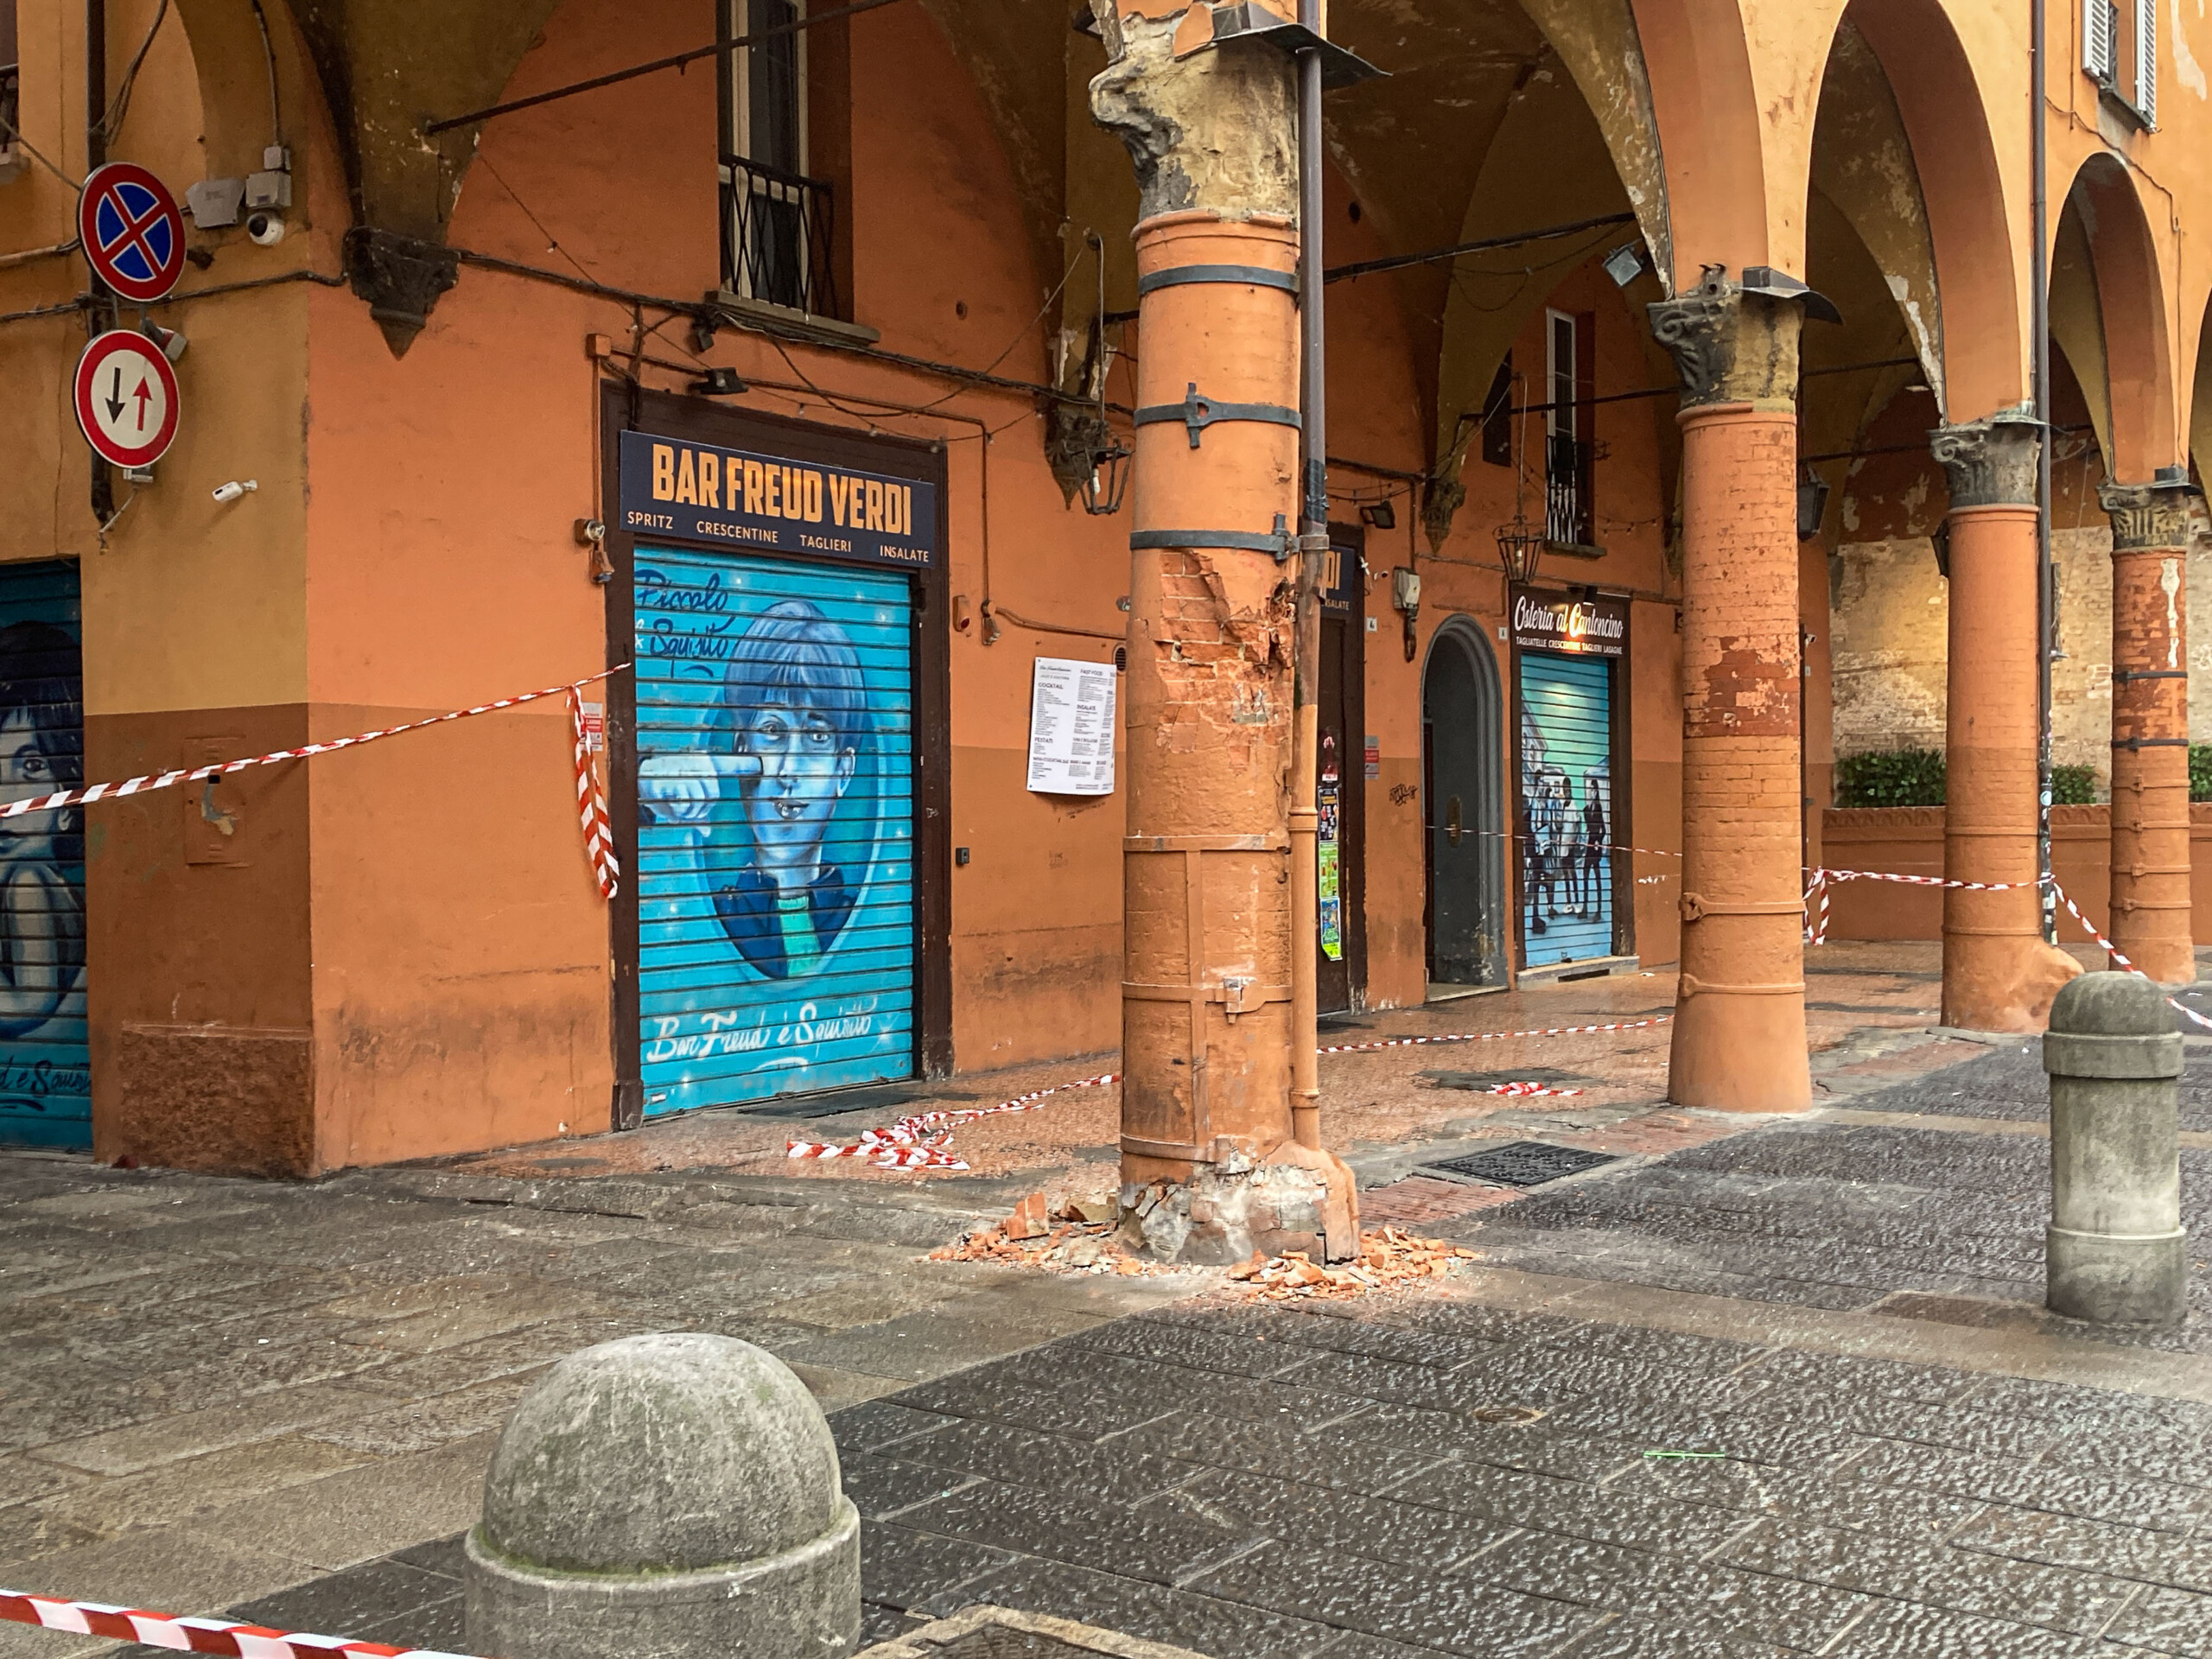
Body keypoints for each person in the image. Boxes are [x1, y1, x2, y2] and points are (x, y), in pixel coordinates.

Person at [639, 599, 865, 979]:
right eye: (773, 732)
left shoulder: (860, 917)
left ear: (843, 770)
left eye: (817, 735)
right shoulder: (726, 914)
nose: (789, 769)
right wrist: (647, 786)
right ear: (742, 751)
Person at [0, 620, 85, 1039]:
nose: (6, 798)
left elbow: (30, 1002)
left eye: (31, 767)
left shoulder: (27, 880)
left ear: (67, 805)